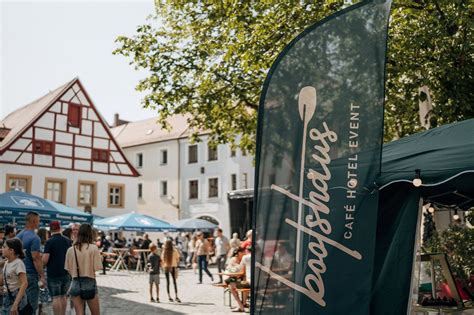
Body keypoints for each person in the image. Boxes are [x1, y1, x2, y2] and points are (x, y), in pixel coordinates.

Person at [64, 223, 102, 315]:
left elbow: (67, 268)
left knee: (79, 313)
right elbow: (97, 267)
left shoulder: (71, 249)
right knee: (96, 313)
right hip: (89, 281)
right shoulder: (93, 248)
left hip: (75, 282)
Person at [16, 211, 46, 313]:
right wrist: (42, 276)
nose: (39, 223)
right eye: (38, 221)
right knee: (30, 306)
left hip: (18, 274)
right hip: (30, 275)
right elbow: (36, 258)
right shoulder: (35, 238)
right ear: (33, 221)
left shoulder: (18, 236)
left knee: (19, 305)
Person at [43, 221, 72, 315]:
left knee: (56, 297)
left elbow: (45, 259)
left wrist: (41, 264)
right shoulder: (67, 240)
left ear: (50, 229)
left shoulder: (49, 241)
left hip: (53, 273)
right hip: (66, 272)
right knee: (63, 296)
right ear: (59, 228)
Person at [1, 238, 29, 315]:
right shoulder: (7, 262)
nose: (2, 249)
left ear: (11, 250)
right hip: (7, 297)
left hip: (15, 298)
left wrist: (15, 304)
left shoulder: (18, 263)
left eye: (4, 247)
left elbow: (24, 283)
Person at [229, 246, 252, 312]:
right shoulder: (234, 259)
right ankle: (243, 304)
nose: (244, 253)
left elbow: (241, 269)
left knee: (232, 285)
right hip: (233, 277)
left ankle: (241, 306)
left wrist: (234, 267)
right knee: (237, 282)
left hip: (247, 281)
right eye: (243, 251)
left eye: (244, 251)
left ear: (247, 251)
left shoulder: (245, 257)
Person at [37, 227, 51, 314]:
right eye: (46, 234)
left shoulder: (36, 245)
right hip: (43, 271)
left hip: (38, 270)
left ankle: (40, 310)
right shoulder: (45, 246)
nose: (48, 235)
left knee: (40, 290)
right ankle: (40, 310)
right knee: (42, 290)